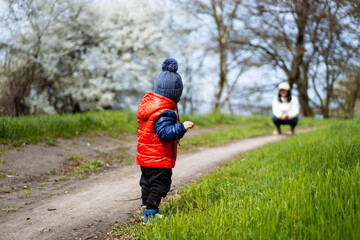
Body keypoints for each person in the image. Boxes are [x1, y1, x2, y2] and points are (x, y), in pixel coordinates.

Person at [136, 58, 194, 224]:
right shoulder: (166, 111)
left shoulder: (150, 106)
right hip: (158, 158)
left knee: (147, 183)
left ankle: (146, 209)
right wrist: (181, 127)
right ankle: (151, 214)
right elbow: (164, 133)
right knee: (160, 185)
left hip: (146, 156)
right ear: (176, 94)